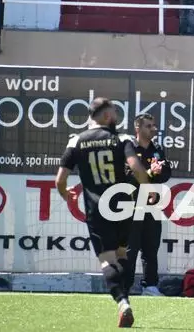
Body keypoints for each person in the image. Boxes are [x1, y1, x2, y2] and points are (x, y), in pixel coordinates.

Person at [55, 97, 151, 328]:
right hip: (122, 204)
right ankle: (125, 298)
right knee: (122, 254)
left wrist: (66, 194)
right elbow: (137, 168)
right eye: (115, 113)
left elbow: (60, 180)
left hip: (97, 208)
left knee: (107, 261)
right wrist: (148, 189)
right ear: (107, 116)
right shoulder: (121, 139)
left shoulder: (76, 141)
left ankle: (122, 302)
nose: (116, 117)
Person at [122, 113, 172, 297]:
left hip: (152, 205)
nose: (153, 129)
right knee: (130, 249)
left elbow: (167, 174)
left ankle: (150, 286)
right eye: (148, 126)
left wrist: (160, 171)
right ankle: (124, 287)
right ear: (138, 128)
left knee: (151, 247)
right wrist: (150, 171)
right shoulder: (128, 148)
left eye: (154, 125)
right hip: (131, 205)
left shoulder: (157, 149)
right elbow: (128, 175)